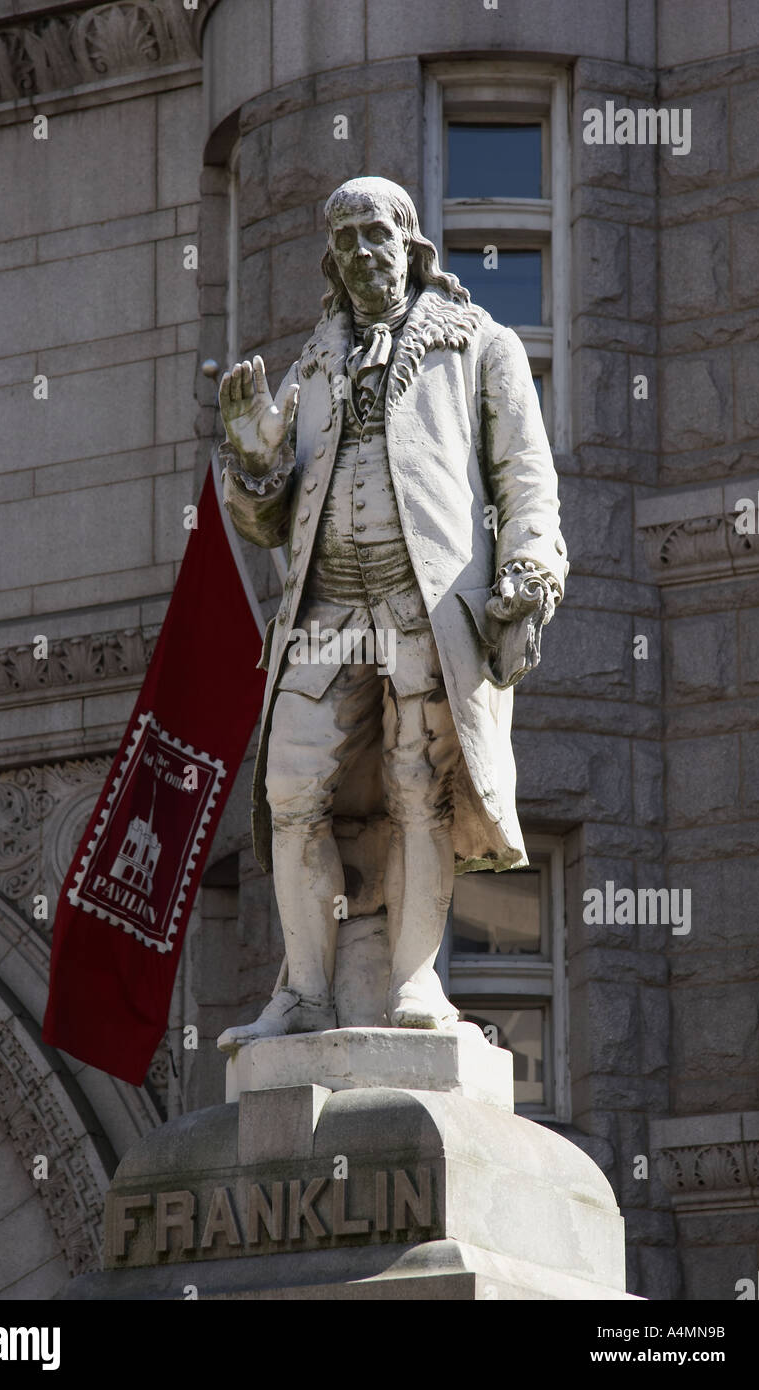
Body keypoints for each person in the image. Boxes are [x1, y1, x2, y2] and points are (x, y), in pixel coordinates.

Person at [216, 176, 567, 1051]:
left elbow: (526, 475)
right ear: (331, 261)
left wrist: (528, 569)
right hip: (327, 608)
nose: (362, 252)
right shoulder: (312, 364)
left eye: (377, 234)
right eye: (345, 241)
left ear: (410, 246)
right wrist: (254, 460)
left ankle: (417, 982)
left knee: (422, 789)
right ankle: (302, 991)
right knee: (290, 788)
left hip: (427, 603)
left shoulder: (479, 344)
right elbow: (268, 518)